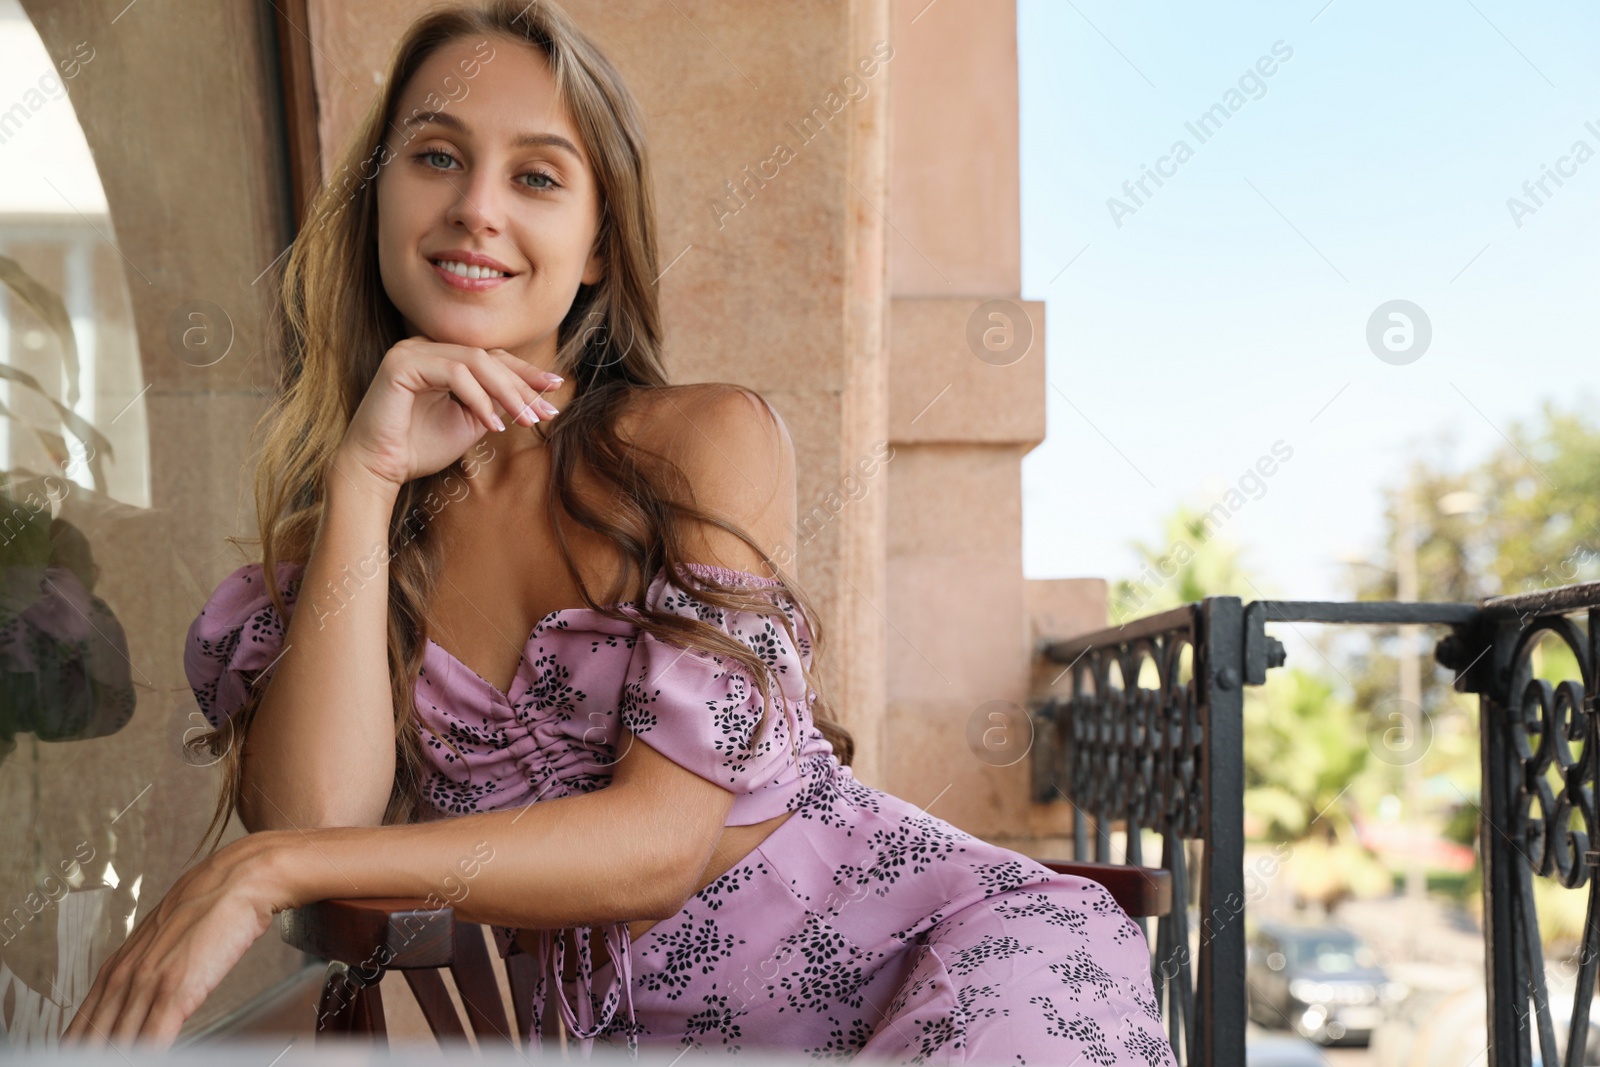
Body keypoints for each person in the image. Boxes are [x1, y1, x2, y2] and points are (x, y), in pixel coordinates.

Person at [63, 2, 1176, 1062]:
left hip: (965, 966)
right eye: (436, 156)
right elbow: (318, 816)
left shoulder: (698, 444)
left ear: (597, 245)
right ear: (376, 199)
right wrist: (366, 473)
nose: (477, 208)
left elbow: (658, 843)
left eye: (537, 176)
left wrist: (263, 869)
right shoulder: (331, 560)